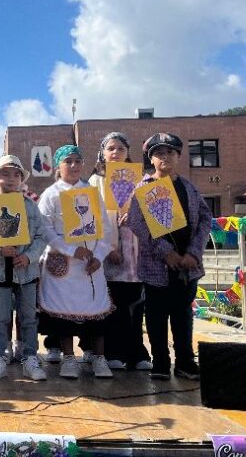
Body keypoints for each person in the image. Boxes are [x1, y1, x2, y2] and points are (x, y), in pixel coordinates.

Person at [127, 133, 211, 381]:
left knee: (183, 314)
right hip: (157, 265)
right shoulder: (144, 188)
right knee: (155, 315)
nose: (165, 158)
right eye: (159, 154)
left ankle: (185, 361)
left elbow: (206, 218)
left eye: (170, 153)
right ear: (151, 159)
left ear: (178, 156)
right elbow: (137, 223)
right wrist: (167, 252)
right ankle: (160, 362)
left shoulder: (188, 187)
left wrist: (194, 252)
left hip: (188, 265)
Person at [37, 145, 115, 379]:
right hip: (64, 263)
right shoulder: (50, 194)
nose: (73, 166)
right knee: (63, 314)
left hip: (90, 262)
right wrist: (71, 250)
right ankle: (68, 358)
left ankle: (99, 358)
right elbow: (46, 231)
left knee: (97, 308)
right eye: (68, 161)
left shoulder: (91, 193)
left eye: (77, 161)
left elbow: (105, 228)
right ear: (58, 166)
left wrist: (99, 256)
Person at [0, 155, 49, 381]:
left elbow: (41, 236)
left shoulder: (30, 206)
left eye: (16, 174)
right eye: (5, 174)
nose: (11, 179)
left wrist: (29, 257)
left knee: (28, 316)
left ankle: (29, 356)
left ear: (22, 179)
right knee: (0, 316)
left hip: (25, 271)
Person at [88, 132, 152, 371]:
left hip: (135, 252)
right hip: (108, 252)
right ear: (102, 153)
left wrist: (137, 217)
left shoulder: (142, 181)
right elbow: (89, 218)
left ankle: (137, 352)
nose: (115, 153)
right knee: (112, 304)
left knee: (136, 304)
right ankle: (112, 351)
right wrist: (107, 247)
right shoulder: (94, 182)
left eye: (120, 149)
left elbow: (154, 217)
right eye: (110, 148)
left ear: (128, 153)